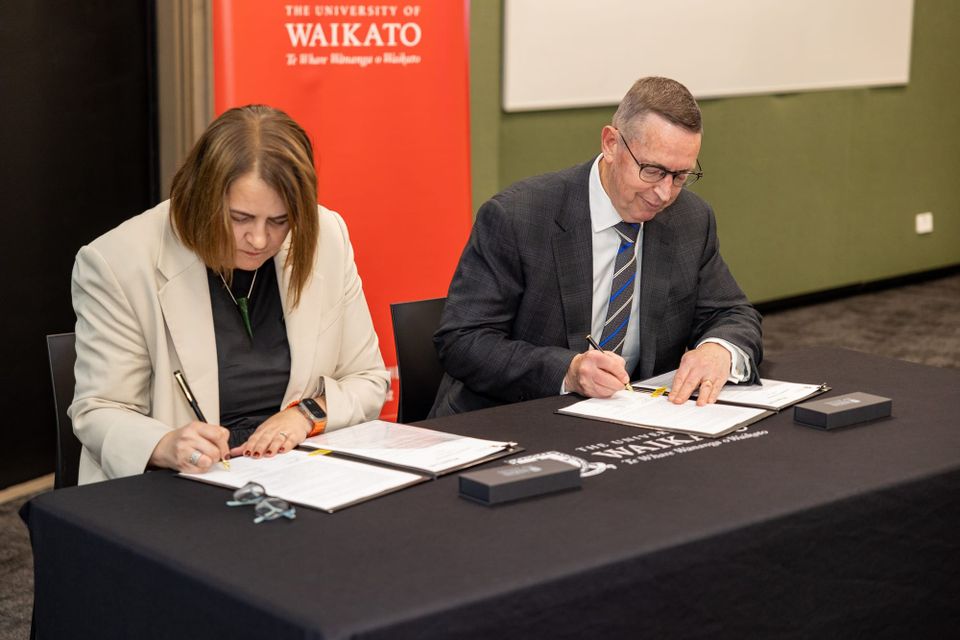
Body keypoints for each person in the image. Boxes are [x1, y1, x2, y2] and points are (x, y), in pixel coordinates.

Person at [70, 105, 390, 484]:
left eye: (280, 221)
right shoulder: (119, 261)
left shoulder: (325, 235)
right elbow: (99, 410)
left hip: (298, 475)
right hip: (174, 486)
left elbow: (368, 379)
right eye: (239, 219)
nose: (259, 239)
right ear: (202, 198)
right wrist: (165, 443)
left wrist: (305, 415)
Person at [431, 77, 762, 417]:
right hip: (515, 417)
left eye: (680, 176)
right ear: (611, 144)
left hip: (628, 421)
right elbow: (463, 341)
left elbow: (733, 313)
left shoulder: (690, 219)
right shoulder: (518, 218)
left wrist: (717, 349)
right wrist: (568, 371)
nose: (664, 193)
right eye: (652, 171)